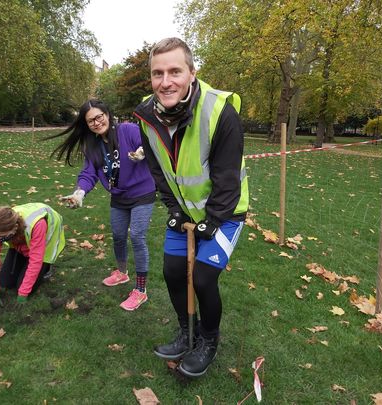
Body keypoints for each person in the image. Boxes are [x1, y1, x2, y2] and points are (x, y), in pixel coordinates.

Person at [134, 38, 249, 378]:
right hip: (184, 211)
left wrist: (212, 221)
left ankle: (208, 342)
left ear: (192, 73)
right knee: (171, 272)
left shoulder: (220, 112)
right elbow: (157, 169)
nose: (165, 81)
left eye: (174, 71)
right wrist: (173, 207)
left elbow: (228, 180)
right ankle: (188, 332)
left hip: (226, 212)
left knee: (202, 278)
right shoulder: (146, 115)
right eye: (157, 73)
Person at [50, 99, 156, 311]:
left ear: (107, 113)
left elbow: (150, 142)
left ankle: (141, 290)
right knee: (117, 235)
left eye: (99, 117)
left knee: (136, 236)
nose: (97, 122)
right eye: (91, 121)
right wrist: (79, 193)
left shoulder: (127, 130)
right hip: (118, 196)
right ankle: (122, 273)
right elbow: (89, 173)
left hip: (142, 192)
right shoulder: (93, 146)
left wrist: (143, 152)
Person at [0, 203, 66, 308]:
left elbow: (36, 261)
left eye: (4, 237)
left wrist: (23, 294)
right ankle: (24, 257)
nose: (0, 239)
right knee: (4, 283)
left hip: (45, 240)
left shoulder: (37, 224)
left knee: (22, 287)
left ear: (15, 227)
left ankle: (46, 269)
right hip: (21, 239)